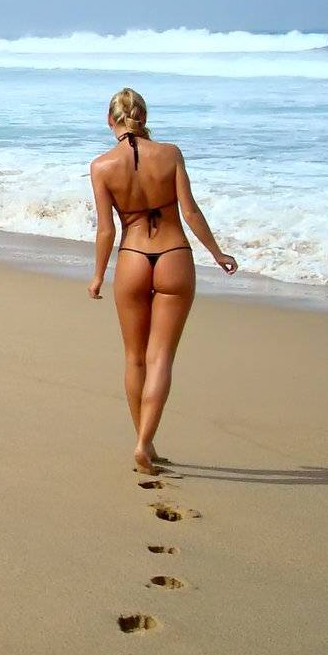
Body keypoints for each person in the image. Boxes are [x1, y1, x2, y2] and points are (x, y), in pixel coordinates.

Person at [87, 88, 237, 474]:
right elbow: (189, 210)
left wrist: (98, 275)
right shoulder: (170, 154)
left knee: (134, 358)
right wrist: (217, 253)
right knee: (161, 358)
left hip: (132, 258)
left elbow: (106, 230)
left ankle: (145, 443)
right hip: (174, 256)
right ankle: (144, 443)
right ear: (143, 116)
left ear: (110, 120)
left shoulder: (102, 166)